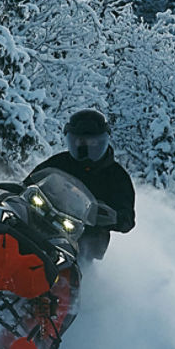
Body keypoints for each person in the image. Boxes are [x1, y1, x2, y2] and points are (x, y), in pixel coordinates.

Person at [25, 109, 135, 261]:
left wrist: (113, 217)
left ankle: (83, 283)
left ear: (103, 141)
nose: (86, 147)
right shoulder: (58, 163)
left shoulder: (117, 176)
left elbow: (128, 219)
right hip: (46, 221)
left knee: (84, 252)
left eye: (93, 142)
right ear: (72, 141)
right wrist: (19, 189)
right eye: (80, 141)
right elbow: (29, 182)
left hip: (85, 238)